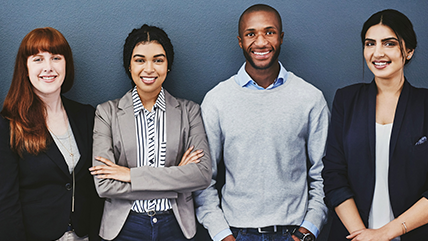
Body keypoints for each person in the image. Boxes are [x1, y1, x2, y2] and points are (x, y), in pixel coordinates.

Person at [194, 4, 329, 241]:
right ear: (240, 41)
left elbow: (324, 174)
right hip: (237, 233)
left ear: (281, 38)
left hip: (294, 232)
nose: (261, 42)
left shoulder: (310, 98)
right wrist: (222, 235)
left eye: (269, 32)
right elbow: (204, 179)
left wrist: (307, 231)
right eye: (251, 34)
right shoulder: (217, 100)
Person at [89, 24, 212, 241]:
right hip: (125, 227)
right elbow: (104, 184)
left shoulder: (189, 111)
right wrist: (177, 179)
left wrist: (130, 175)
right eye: (139, 60)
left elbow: (201, 174)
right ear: (129, 65)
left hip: (176, 225)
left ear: (168, 65)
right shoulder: (106, 113)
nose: (149, 69)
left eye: (158, 59)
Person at [0, 27, 103, 241]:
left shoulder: (87, 115)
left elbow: (96, 187)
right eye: (38, 59)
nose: (48, 67)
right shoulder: (8, 124)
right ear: (25, 67)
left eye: (56, 58)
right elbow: (4, 203)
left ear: (66, 63)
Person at [322, 9, 428, 241]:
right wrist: (362, 235)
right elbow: (333, 175)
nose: (377, 53)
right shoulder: (346, 100)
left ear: (408, 51)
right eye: (370, 43)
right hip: (353, 236)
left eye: (389, 43)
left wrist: (385, 233)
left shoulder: (424, 104)